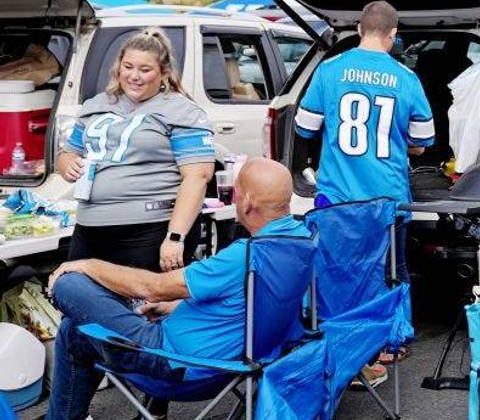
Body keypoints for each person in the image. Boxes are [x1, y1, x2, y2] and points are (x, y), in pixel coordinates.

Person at [45, 158, 308, 420]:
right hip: (244, 359)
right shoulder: (301, 240)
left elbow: (151, 287)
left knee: (69, 284)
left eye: (237, 191)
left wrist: (86, 264)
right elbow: (248, 301)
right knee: (75, 331)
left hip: (176, 365)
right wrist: (172, 306)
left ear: (248, 201)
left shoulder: (244, 256)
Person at [293, 0, 432, 374]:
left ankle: (339, 335)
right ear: (393, 35)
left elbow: (304, 127)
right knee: (393, 268)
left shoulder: (329, 69)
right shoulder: (407, 78)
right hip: (387, 198)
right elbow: (423, 140)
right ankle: (392, 341)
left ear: (358, 29)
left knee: (339, 268)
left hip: (337, 199)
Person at [55, 28, 215, 274]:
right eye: (128, 67)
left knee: (139, 306)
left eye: (145, 69)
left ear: (163, 72)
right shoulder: (96, 104)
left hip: (148, 227)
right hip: (89, 226)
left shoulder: (181, 111)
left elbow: (198, 176)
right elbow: (67, 155)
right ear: (118, 67)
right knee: (78, 296)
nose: (134, 76)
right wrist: (68, 164)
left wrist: (175, 238)